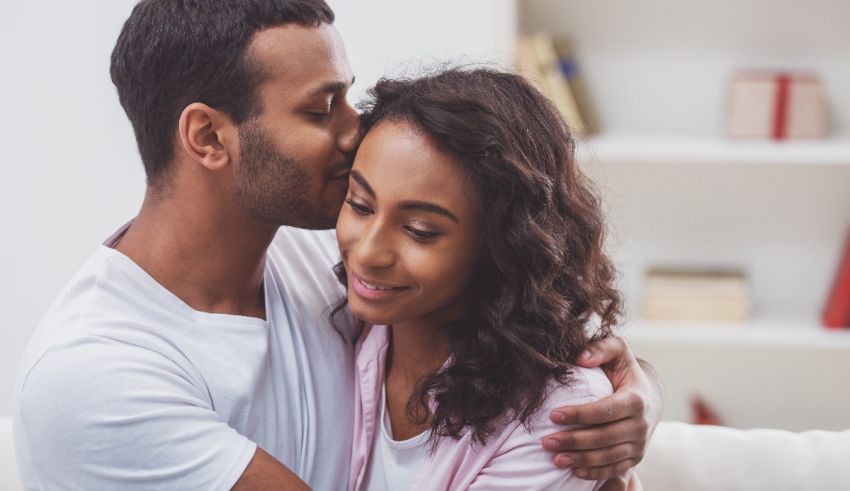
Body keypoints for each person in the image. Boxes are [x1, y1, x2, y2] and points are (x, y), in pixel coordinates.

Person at [12, 1, 661, 489]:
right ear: (208, 137)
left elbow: (499, 308)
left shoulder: (314, 261)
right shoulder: (97, 376)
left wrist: (630, 393)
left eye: (349, 97)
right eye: (323, 111)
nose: (359, 132)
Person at [336, 68, 641, 490]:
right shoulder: (341, 325)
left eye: (420, 230)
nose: (368, 253)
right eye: (360, 204)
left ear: (503, 246)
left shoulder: (562, 419)